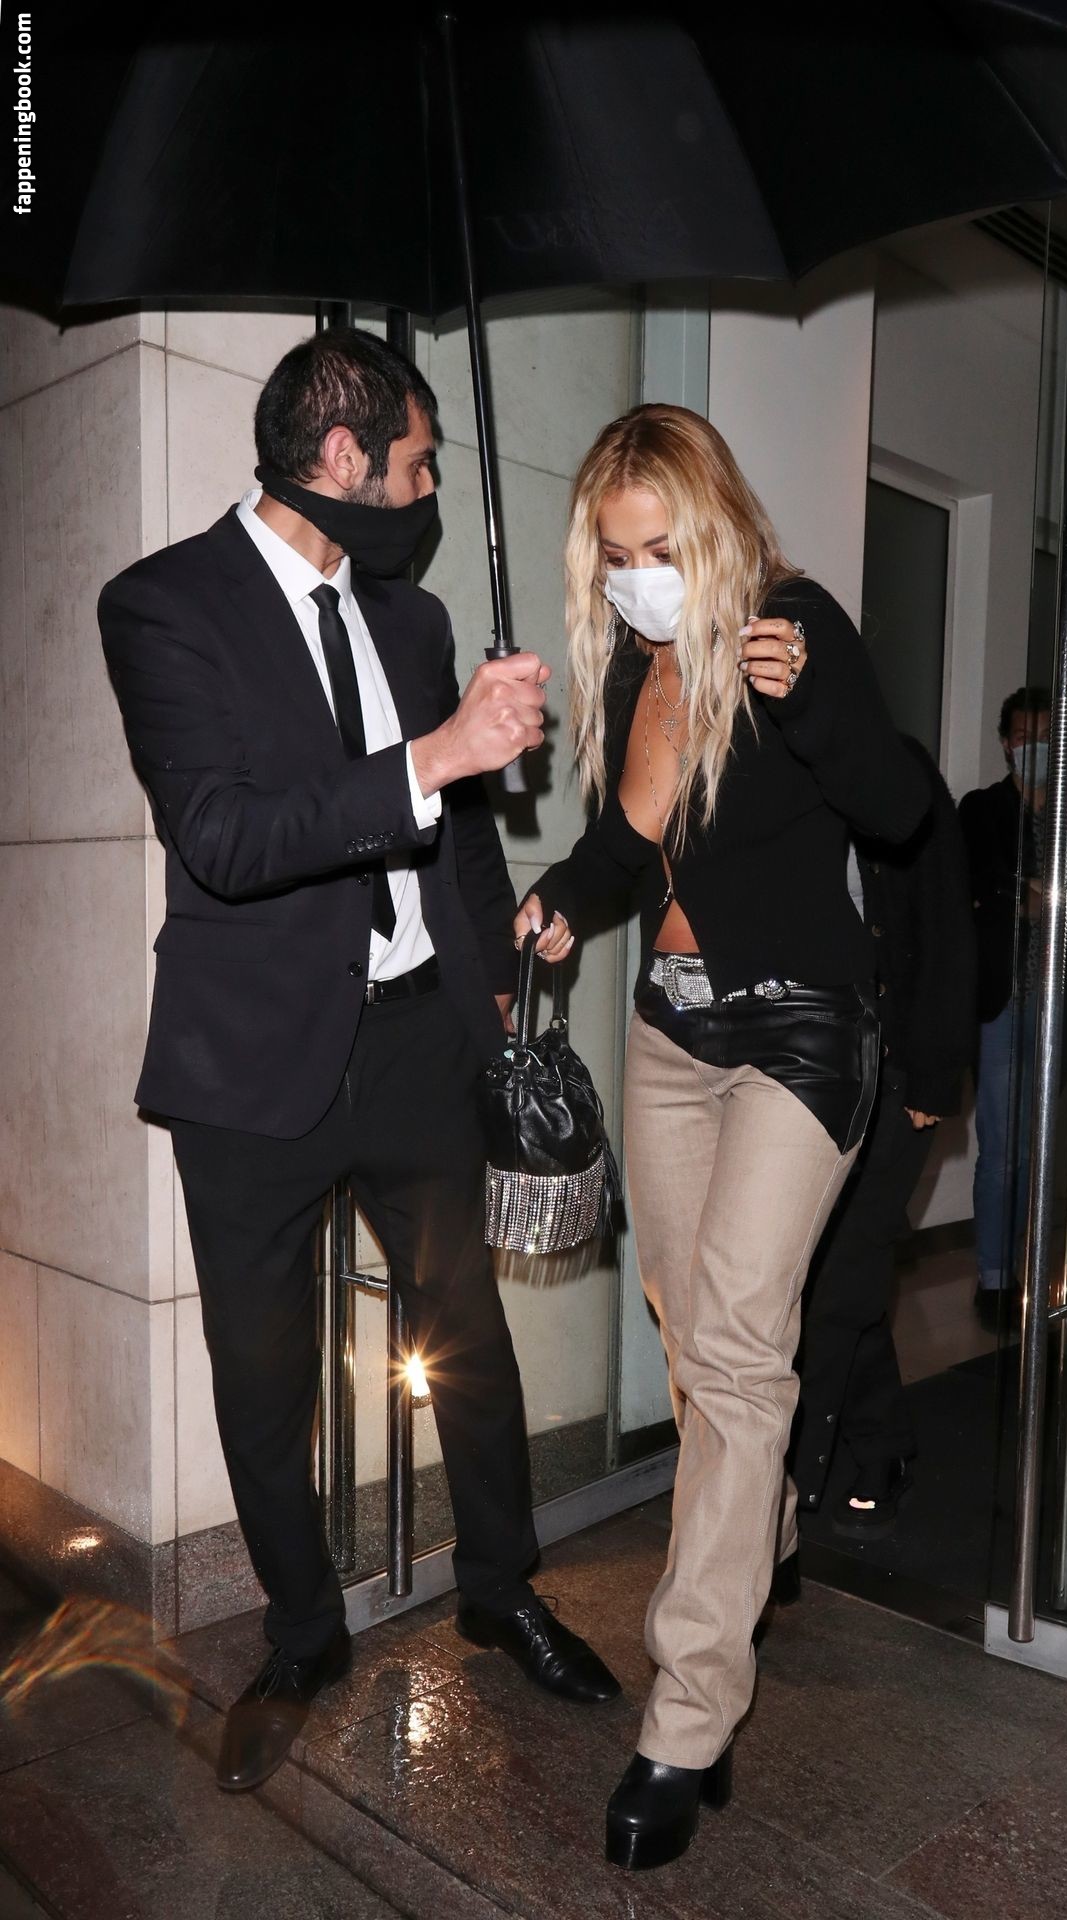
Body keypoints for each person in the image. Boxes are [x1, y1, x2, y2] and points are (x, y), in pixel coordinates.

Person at [98, 326, 619, 1796]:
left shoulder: (413, 621)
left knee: (470, 1336)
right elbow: (222, 836)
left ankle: (501, 1589)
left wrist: (491, 981)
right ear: (344, 459)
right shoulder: (163, 604)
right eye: (418, 463)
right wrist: (437, 756)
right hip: (251, 1066)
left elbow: (457, 839)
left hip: (414, 1040)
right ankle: (302, 1632)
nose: (430, 488)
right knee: (264, 1376)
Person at [515, 403, 929, 1870]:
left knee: (743, 1352)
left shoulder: (791, 630)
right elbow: (629, 848)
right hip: (671, 1034)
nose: (638, 577)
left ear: (714, 527)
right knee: (697, 1343)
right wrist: (563, 898)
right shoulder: (638, 664)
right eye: (616, 555)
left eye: (660, 548)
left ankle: (688, 1718)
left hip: (802, 1035)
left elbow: (899, 806)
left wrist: (813, 705)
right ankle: (767, 1537)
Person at [789, 739, 976, 1542]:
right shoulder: (778, 768)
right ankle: (885, 1447)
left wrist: (934, 1076)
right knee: (834, 1278)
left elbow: (946, 928)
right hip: (799, 1071)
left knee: (841, 1279)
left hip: (896, 1071)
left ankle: (791, 1485)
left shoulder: (898, 772)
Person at [958, 686, 1050, 1334]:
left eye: (1044, 737)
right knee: (1001, 1148)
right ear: (1005, 743)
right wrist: (1024, 898)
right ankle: (993, 1277)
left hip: (1059, 999)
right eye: (1022, 737)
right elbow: (977, 887)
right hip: (1003, 1000)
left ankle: (1020, 1268)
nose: (1032, 747)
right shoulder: (983, 809)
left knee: (1035, 1149)